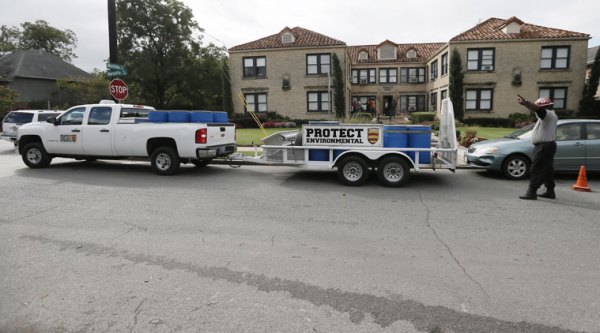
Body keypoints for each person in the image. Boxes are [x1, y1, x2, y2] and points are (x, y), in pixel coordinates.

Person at [516, 95, 558, 200]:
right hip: (547, 145)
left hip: (544, 146)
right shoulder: (548, 115)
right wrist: (526, 105)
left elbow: (538, 109)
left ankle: (532, 192)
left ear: (545, 107)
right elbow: (536, 109)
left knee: (536, 168)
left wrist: (526, 101)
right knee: (547, 169)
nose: (536, 111)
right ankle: (550, 191)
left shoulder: (547, 114)